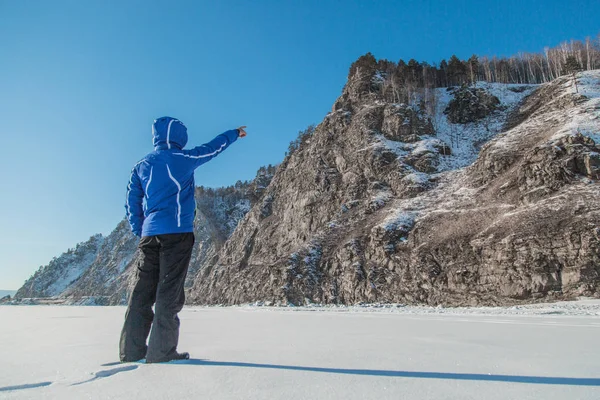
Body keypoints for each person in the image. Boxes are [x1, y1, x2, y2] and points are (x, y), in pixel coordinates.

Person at [120, 116, 246, 363]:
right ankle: (162, 352)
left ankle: (131, 351)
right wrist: (234, 133)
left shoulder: (141, 165)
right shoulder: (182, 159)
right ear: (179, 137)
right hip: (177, 234)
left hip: (149, 235)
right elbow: (212, 148)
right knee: (169, 292)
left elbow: (131, 201)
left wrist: (140, 228)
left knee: (141, 293)